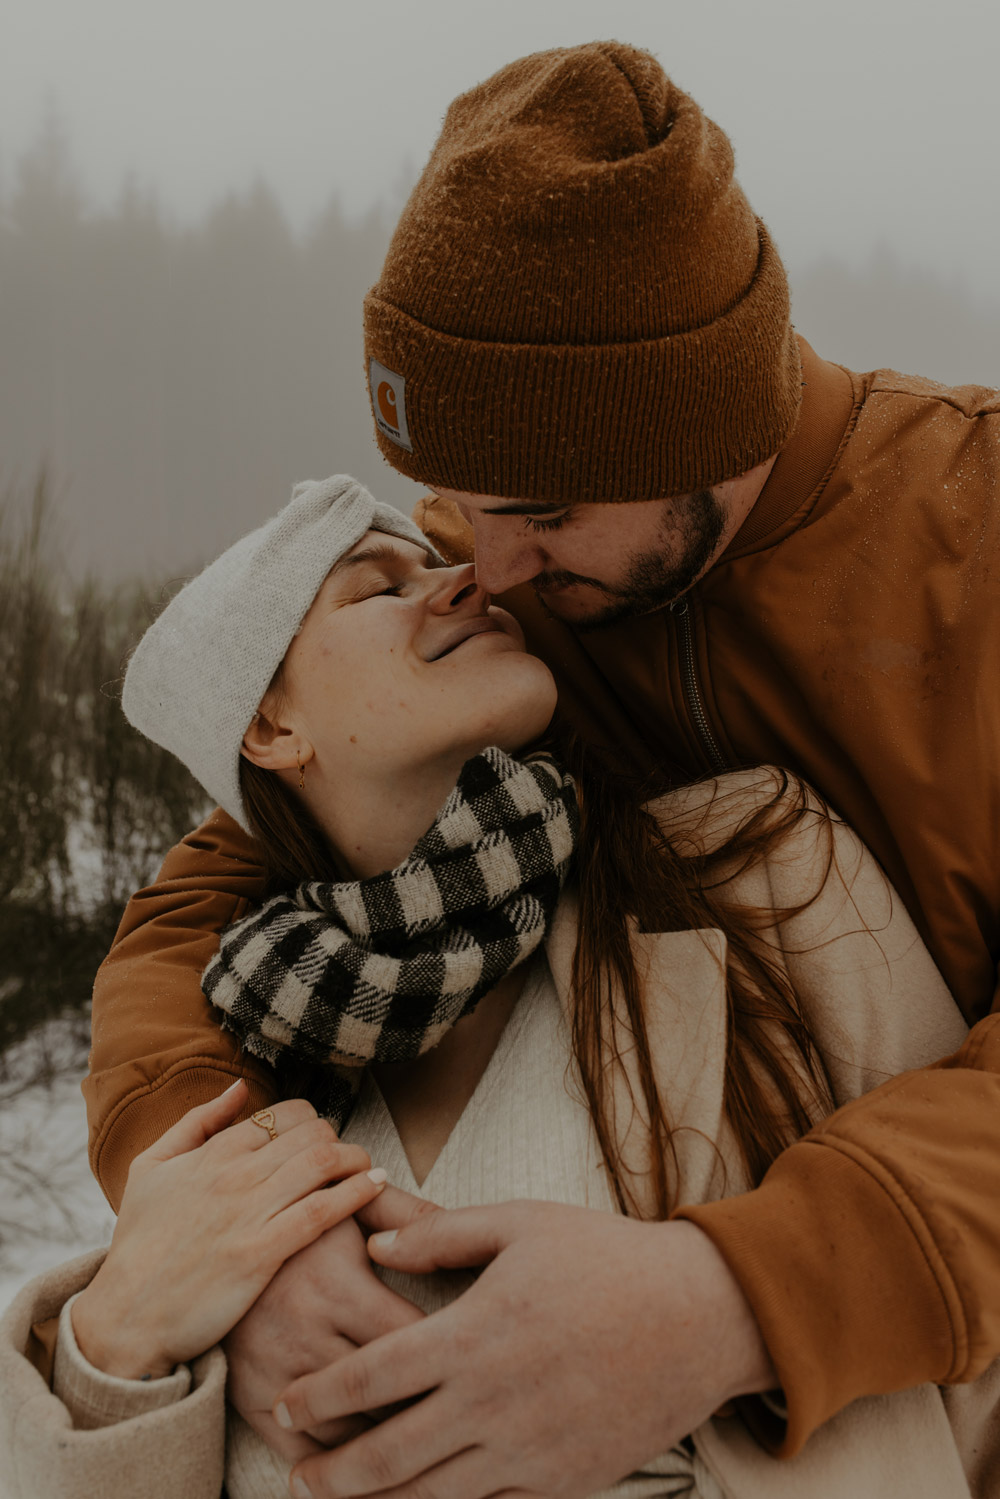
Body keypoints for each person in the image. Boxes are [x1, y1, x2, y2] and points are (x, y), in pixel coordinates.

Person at [84, 37, 1000, 1492]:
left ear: (706, 422)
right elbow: (193, 909)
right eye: (458, 501)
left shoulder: (973, 542)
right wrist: (228, 1230)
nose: (483, 565)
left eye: (545, 510)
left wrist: (734, 1296)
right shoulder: (513, 604)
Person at [1, 475, 991, 1499]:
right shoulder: (238, 1040)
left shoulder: (764, 872)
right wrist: (115, 1346)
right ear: (268, 727)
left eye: (436, 561)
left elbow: (973, 1357)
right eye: (374, 588)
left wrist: (724, 1318)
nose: (467, 585)